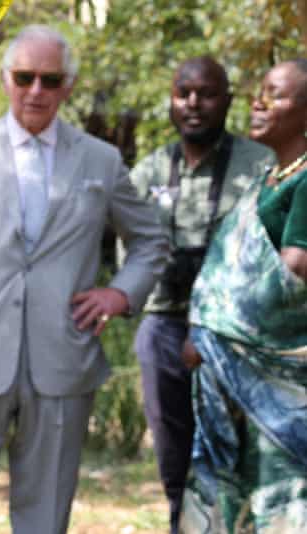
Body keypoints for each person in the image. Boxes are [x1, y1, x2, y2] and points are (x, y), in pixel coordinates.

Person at [0, 25, 169, 534]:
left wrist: (121, 292)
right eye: (25, 77)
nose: (36, 91)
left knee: (46, 506)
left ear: (68, 86)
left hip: (62, 357)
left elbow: (152, 240)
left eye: (49, 80)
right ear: (7, 79)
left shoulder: (101, 159)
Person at [126, 57, 271, 534]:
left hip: (237, 330)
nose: (193, 104)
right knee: (172, 450)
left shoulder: (258, 163)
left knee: (237, 453)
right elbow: (129, 246)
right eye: (183, 92)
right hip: (164, 322)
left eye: (206, 93)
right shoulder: (150, 170)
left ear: (227, 100)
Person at [179, 59, 307, 534]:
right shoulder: (266, 180)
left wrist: (213, 334)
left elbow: (293, 272)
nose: (259, 102)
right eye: (259, 91)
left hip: (284, 382)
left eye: (276, 94)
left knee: (283, 497)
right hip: (240, 377)